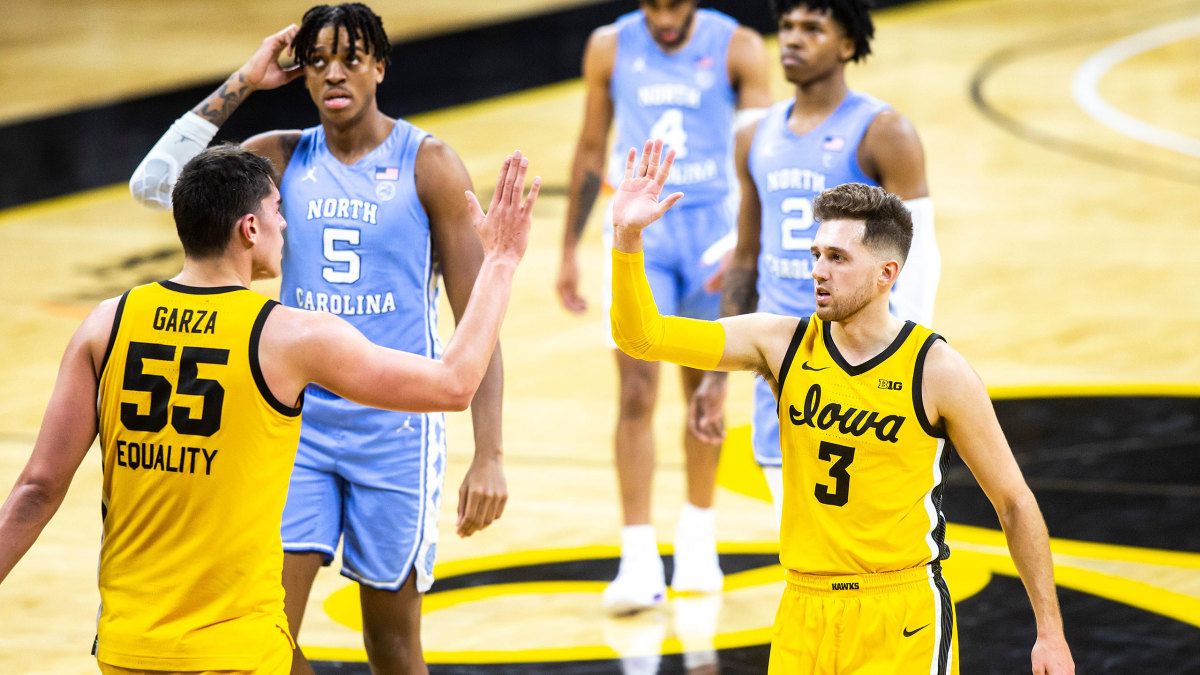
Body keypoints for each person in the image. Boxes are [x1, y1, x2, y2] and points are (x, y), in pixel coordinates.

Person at [0, 146, 538, 674]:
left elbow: (35, 489)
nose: (287, 226)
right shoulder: (290, 336)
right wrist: (501, 262)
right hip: (237, 653)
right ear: (250, 229)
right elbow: (453, 384)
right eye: (279, 211)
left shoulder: (107, 322)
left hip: (128, 649)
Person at [128, 5, 507, 671]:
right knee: (263, 630)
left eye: (352, 58)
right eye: (319, 60)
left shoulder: (431, 165)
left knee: (391, 645)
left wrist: (490, 453)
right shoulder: (277, 156)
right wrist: (245, 79)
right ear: (300, 72)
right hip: (294, 428)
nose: (334, 73)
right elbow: (155, 183)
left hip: (397, 433)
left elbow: (478, 317)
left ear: (380, 67)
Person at [609, 140, 1074, 674]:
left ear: (886, 274)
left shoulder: (937, 371)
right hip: (803, 609)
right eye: (815, 255)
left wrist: (1051, 633)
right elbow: (641, 337)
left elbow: (1014, 503)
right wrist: (626, 239)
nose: (817, 271)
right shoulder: (778, 343)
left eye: (837, 258)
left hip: (899, 612)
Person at [554, 0, 772, 614]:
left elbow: (760, 154)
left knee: (705, 390)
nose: (665, 16)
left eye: (675, 4)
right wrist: (569, 249)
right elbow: (592, 146)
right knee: (635, 393)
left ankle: (699, 539)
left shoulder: (740, 46)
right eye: (653, 4)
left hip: (711, 233)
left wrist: (746, 246)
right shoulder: (608, 46)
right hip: (640, 228)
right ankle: (639, 557)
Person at [690, 0, 941, 527]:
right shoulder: (753, 136)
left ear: (847, 44)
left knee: (867, 557)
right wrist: (716, 376)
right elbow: (746, 258)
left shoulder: (885, 131)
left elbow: (918, 261)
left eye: (811, 28)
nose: (792, 39)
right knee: (801, 561)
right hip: (783, 372)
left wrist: (903, 365)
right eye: (785, 27)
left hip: (860, 373)